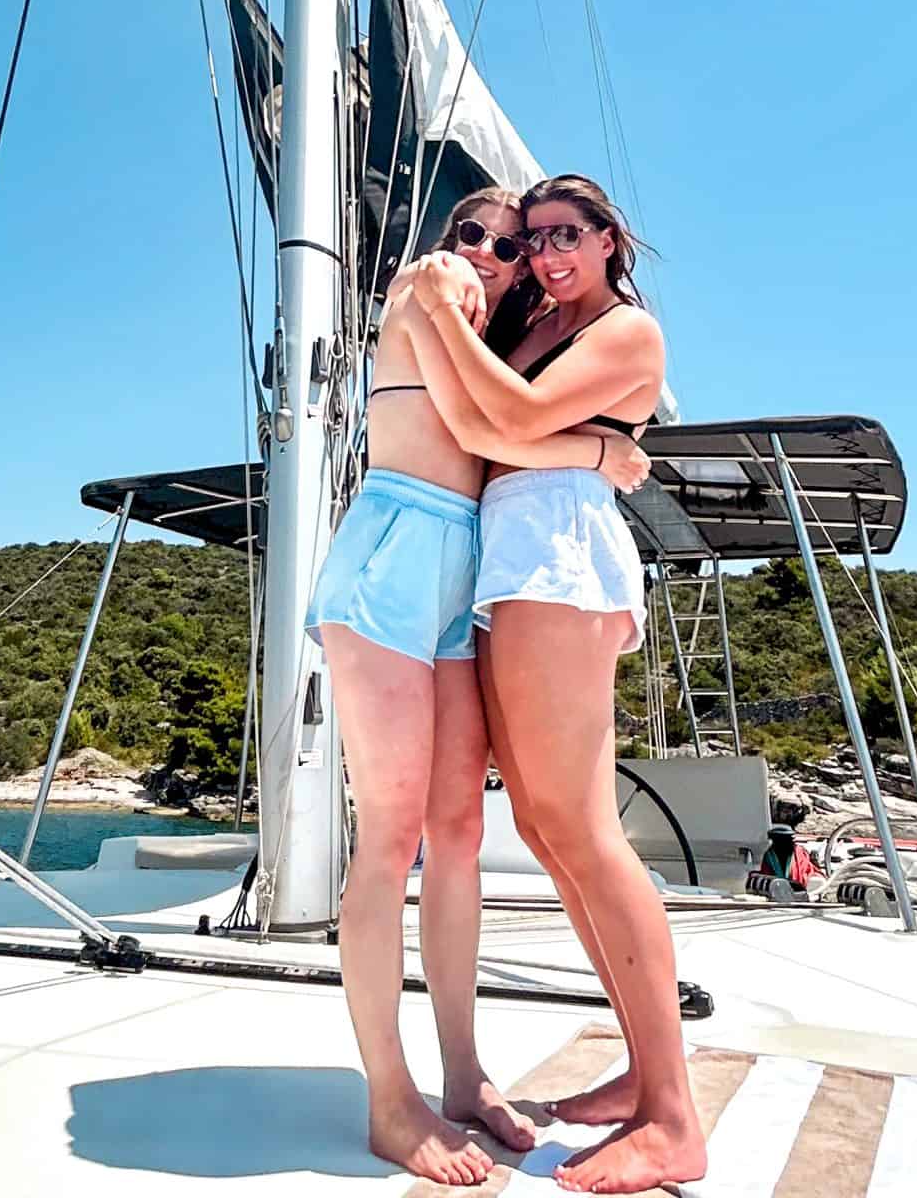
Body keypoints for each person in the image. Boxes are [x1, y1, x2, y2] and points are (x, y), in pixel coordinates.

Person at [306, 186, 652, 1189]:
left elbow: (494, 418)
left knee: (458, 833)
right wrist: (600, 447)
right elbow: (477, 421)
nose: (493, 254)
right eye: (476, 234)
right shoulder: (435, 282)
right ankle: (387, 1097)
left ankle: (462, 1076)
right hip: (393, 552)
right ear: (443, 239)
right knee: (391, 834)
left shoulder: (496, 327)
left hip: (466, 568)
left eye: (513, 244)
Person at [404, 174, 707, 1198]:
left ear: (610, 237)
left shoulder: (627, 333)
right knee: (542, 827)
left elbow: (499, 422)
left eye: (564, 234)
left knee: (580, 828)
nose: (542, 253)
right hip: (514, 558)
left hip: (558, 563)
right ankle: (640, 1070)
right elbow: (479, 424)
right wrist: (581, 440)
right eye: (532, 239)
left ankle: (671, 1116)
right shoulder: (539, 319)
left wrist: (437, 315)